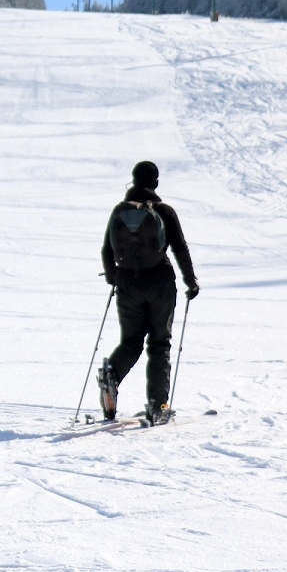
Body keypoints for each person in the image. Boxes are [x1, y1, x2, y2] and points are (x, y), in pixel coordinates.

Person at [98, 160, 199, 424]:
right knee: (159, 344)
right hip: (160, 283)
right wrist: (191, 282)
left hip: (128, 284)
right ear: (155, 183)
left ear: (132, 180)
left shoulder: (119, 210)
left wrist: (114, 279)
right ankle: (158, 405)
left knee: (131, 341)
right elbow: (180, 248)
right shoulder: (164, 211)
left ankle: (112, 374)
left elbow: (106, 251)